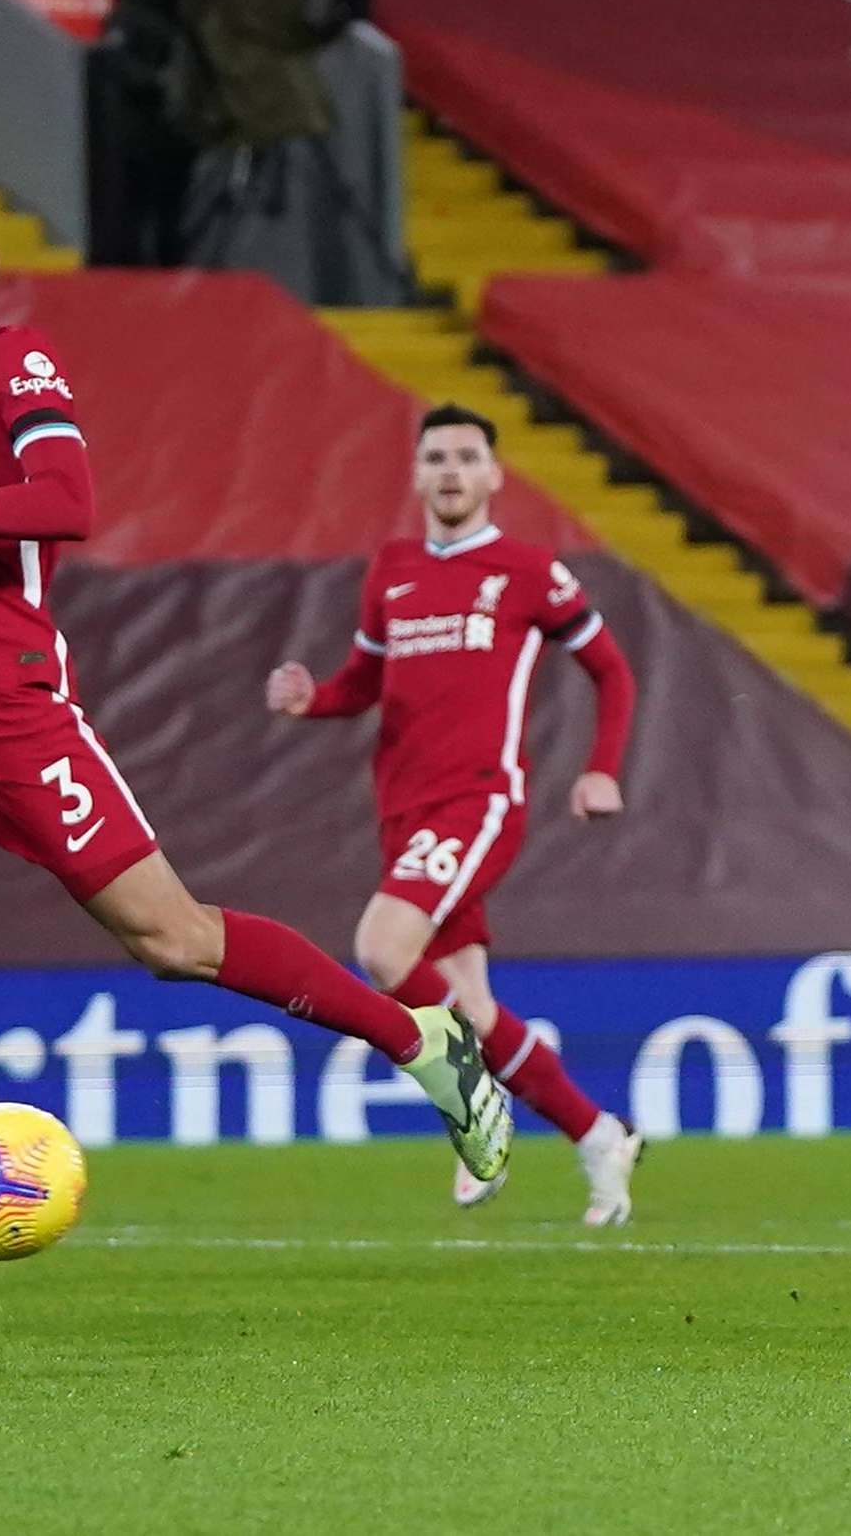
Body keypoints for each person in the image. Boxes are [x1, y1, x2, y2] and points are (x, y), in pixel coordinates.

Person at [0, 189, 509, 1177]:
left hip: (3, 713)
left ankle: (423, 1044)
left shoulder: (12, 363)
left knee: (173, 939)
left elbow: (68, 498)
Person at [267, 403, 643, 1223]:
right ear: (415, 473)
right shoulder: (393, 570)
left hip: (478, 800)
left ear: (494, 475)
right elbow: (364, 683)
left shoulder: (528, 569)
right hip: (401, 811)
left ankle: (475, 1108)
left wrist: (601, 771)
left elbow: (613, 672)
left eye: (467, 457)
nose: (450, 470)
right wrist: (313, 699)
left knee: (381, 946)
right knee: (468, 1007)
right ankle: (596, 1134)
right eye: (435, 456)